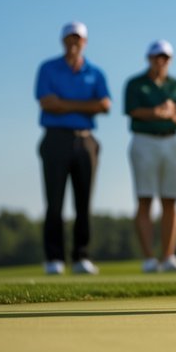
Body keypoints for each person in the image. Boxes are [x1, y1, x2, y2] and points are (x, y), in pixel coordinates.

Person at [34, 22, 111, 275]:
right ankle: (54, 258)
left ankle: (81, 257)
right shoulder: (48, 68)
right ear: (63, 41)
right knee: (54, 202)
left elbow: (104, 105)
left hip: (87, 140)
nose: (74, 43)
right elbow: (47, 103)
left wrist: (64, 104)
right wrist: (84, 105)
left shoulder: (95, 72)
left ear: (85, 42)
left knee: (84, 202)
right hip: (55, 138)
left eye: (78, 39)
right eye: (69, 38)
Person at [123, 39, 176, 273]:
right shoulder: (135, 84)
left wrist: (170, 115)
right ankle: (149, 259)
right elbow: (132, 111)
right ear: (149, 58)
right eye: (157, 57)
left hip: (171, 142)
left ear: (170, 60)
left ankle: (168, 256)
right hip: (144, 142)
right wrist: (156, 112)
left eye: (165, 58)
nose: (161, 61)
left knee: (170, 200)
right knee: (145, 199)